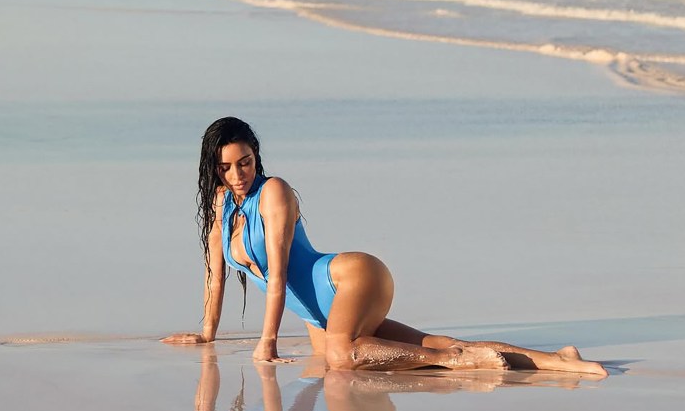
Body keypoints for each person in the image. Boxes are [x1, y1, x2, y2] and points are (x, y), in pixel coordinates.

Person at [164, 117, 607, 376]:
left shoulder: (274, 191)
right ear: (214, 170)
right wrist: (207, 332)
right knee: (383, 345)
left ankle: (456, 362)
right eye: (227, 167)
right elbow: (214, 275)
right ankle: (558, 360)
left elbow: (278, 275)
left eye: (246, 162)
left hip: (350, 277)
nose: (239, 173)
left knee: (342, 356)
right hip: (321, 311)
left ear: (257, 156)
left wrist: (268, 343)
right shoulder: (221, 206)